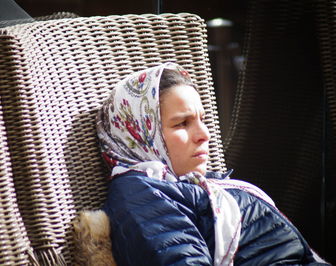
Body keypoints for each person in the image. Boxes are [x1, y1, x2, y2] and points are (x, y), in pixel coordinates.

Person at [96, 62, 329, 265]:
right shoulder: (141, 195)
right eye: (182, 123)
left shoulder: (189, 184)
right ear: (139, 135)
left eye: (202, 119)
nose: (204, 134)